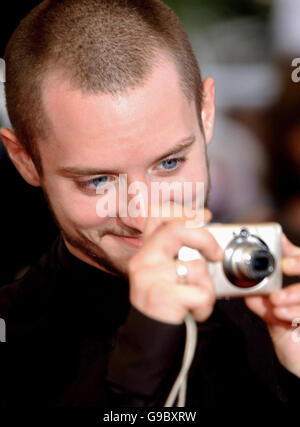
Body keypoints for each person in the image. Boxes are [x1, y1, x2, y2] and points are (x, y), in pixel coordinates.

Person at [0, 0, 300, 408]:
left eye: (170, 163)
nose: (143, 214)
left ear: (206, 113)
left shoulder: (275, 302)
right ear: (24, 160)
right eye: (98, 181)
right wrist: (137, 368)